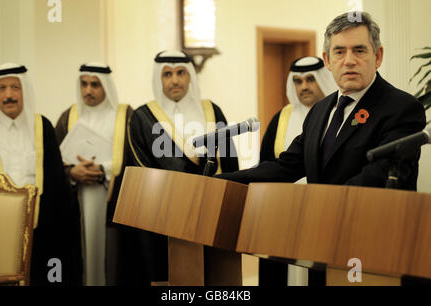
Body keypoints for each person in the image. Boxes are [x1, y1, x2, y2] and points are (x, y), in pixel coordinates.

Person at [217, 12, 426, 285]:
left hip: (374, 250)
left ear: (378, 56)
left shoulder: (401, 108)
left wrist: (313, 211)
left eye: (359, 50)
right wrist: (220, 182)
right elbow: (285, 166)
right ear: (327, 60)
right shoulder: (320, 110)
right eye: (339, 51)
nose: (349, 60)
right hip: (323, 249)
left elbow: (377, 176)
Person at [128, 50, 240, 285]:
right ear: (159, 79)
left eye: (181, 73)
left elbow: (229, 159)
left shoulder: (212, 110)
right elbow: (140, 168)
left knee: (215, 276)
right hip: (162, 213)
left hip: (211, 209)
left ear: (191, 76)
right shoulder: (143, 117)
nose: (175, 80)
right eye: (167, 74)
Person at [0, 63, 82, 286]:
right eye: (1, 88)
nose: (9, 95)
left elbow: (56, 183)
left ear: (24, 90)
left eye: (15, 87)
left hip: (41, 228)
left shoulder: (42, 126)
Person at [259, 56, 337, 286]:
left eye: (311, 79)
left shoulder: (337, 114)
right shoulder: (280, 118)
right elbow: (268, 166)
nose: (304, 86)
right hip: (283, 215)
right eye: (298, 81)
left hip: (325, 214)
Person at [55, 63, 134, 286]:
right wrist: (72, 172)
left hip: (113, 199)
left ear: (106, 86)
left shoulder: (125, 115)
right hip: (77, 200)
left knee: (112, 261)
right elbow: (52, 163)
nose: (88, 90)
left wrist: (103, 170)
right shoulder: (68, 117)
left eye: (95, 84)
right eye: (84, 84)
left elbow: (135, 159)